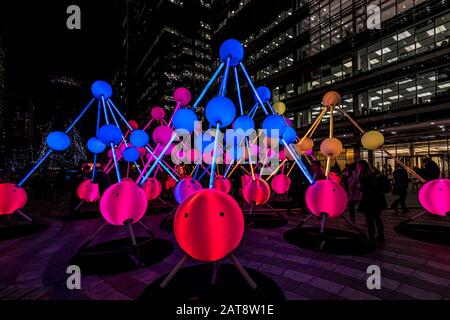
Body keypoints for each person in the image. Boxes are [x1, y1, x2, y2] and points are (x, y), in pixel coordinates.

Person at [357, 160, 387, 243]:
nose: (357, 168)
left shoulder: (363, 176)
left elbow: (367, 189)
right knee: (377, 219)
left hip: (369, 200)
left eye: (358, 166)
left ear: (361, 167)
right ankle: (381, 237)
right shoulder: (374, 173)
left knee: (369, 220)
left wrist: (360, 187)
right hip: (379, 199)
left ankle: (371, 237)